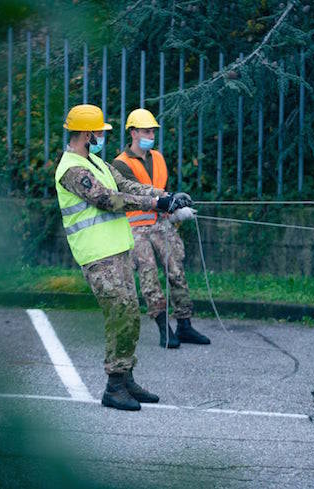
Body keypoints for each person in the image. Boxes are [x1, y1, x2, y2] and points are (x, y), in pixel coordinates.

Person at [54, 104, 190, 411]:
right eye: (101, 132)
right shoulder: (73, 168)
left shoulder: (97, 162)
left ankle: (125, 378)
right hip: (98, 256)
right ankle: (114, 386)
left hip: (116, 251)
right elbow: (108, 199)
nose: (103, 136)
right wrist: (156, 202)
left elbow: (125, 184)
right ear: (87, 133)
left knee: (129, 313)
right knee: (120, 315)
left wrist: (164, 196)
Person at [112, 108, 210, 349]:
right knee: (149, 277)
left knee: (177, 271)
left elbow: (161, 190)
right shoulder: (120, 164)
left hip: (161, 223)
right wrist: (169, 202)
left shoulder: (158, 157)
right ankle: (164, 329)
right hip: (136, 228)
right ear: (133, 133)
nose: (151, 135)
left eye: (153, 131)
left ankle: (184, 325)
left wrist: (175, 207)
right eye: (146, 131)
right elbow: (137, 192)